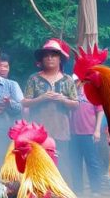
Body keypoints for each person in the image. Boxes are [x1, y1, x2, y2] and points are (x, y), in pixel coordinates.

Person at [22, 39, 78, 178]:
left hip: (61, 130)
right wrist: (42, 98)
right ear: (41, 59)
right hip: (38, 130)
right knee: (38, 163)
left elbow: (76, 104)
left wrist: (62, 99)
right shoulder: (34, 79)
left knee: (62, 163)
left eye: (54, 55)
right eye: (46, 55)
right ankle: (39, 195)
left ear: (60, 59)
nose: (50, 58)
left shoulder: (67, 80)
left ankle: (62, 196)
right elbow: (25, 102)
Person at [70, 76, 106, 196]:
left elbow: (100, 111)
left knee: (92, 161)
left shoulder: (92, 93)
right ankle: (78, 189)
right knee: (75, 161)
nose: (78, 83)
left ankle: (96, 189)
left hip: (89, 132)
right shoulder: (69, 94)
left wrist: (97, 130)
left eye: (80, 80)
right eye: (76, 81)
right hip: (73, 133)